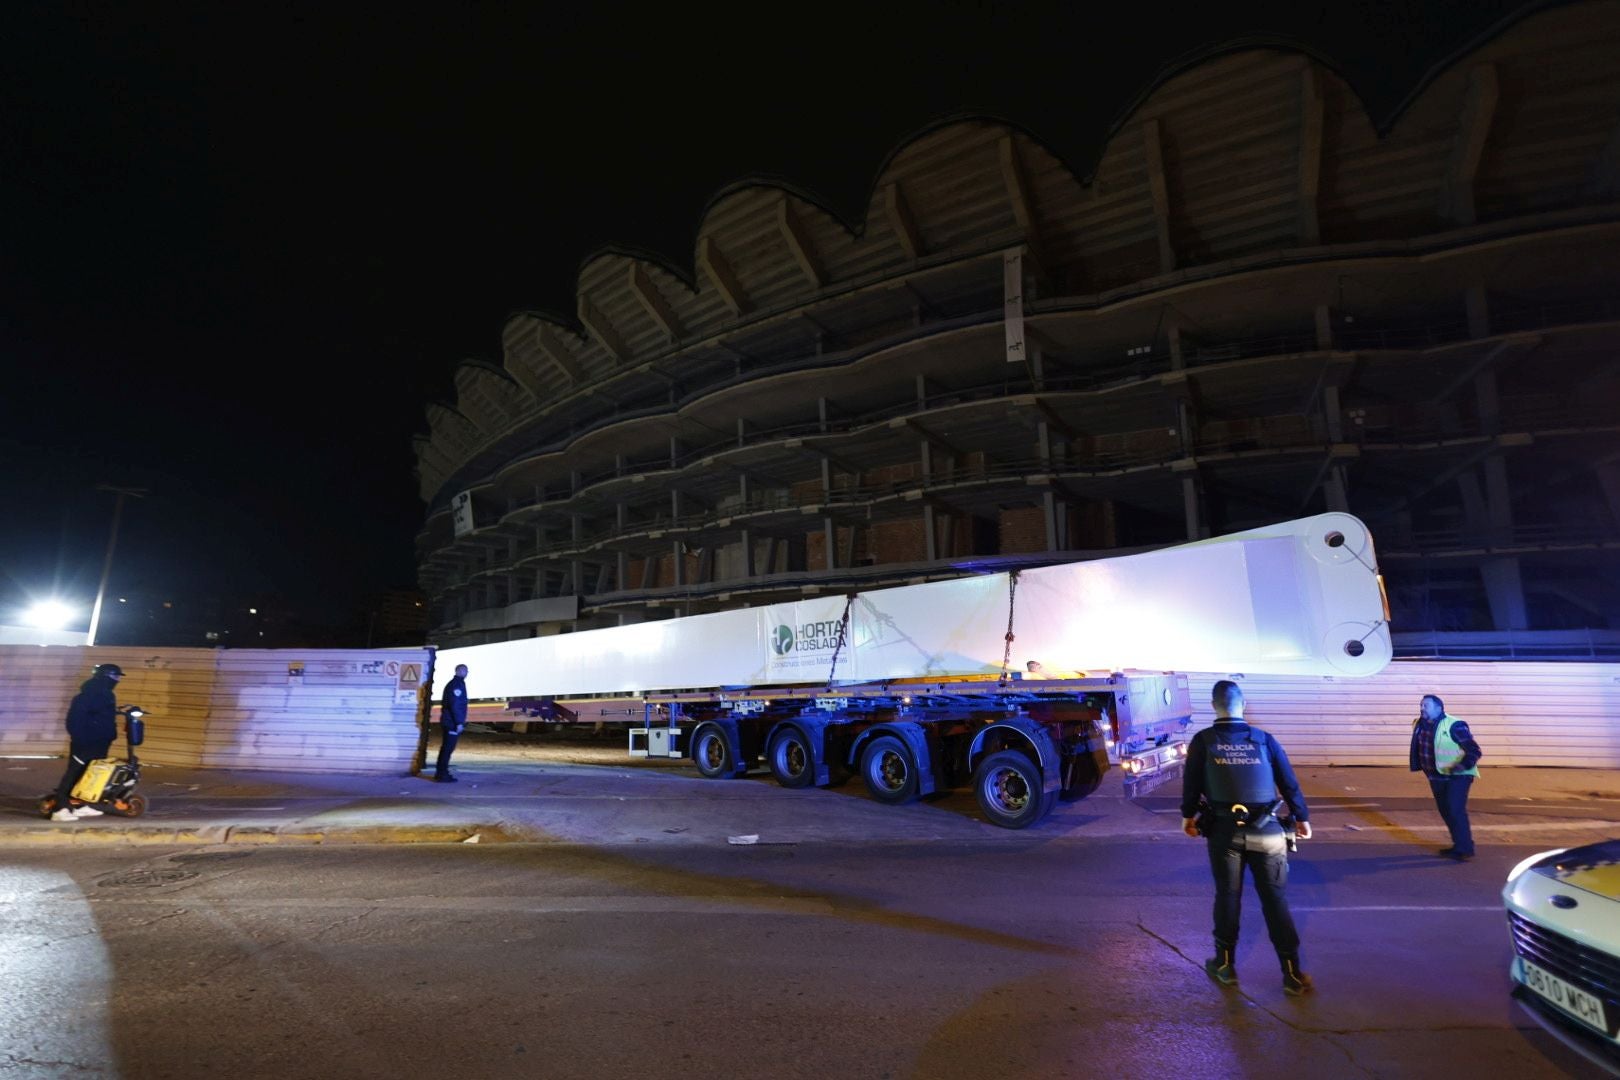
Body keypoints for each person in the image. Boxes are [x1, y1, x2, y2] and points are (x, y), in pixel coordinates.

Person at [1181, 679, 1314, 995]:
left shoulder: (1203, 741)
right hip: (1267, 830)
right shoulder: (1264, 740)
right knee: (1275, 900)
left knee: (1227, 896)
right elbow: (1288, 782)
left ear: (1214, 706)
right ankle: (1293, 974)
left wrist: (1188, 817)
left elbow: (1191, 785)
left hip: (1225, 831)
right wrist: (1302, 818)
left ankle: (1225, 965)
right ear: (1244, 704)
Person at [1409, 693, 1482, 861]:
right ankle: (1459, 845)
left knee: (1455, 810)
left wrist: (1461, 766)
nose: (1421, 708)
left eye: (1425, 705)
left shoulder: (1454, 725)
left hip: (1458, 776)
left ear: (1439, 708)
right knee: (1446, 811)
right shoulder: (1419, 724)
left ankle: (1465, 849)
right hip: (1436, 776)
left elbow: (1474, 750)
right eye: (1421, 705)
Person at [49, 663, 123, 822]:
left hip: (101, 742)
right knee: (74, 773)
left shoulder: (107, 695)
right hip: (85, 742)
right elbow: (74, 720)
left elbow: (102, 715)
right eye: (115, 677)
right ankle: (60, 808)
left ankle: (80, 804)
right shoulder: (87, 695)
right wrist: (81, 738)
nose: (117, 680)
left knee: (89, 774)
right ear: (105, 676)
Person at [435, 664, 469, 782]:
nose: (467, 673)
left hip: (449, 721)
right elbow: (455, 705)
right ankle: (442, 774)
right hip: (452, 723)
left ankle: (441, 773)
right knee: (447, 749)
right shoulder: (456, 685)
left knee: (446, 748)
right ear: (460, 671)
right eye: (465, 670)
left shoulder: (455, 683)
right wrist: (459, 723)